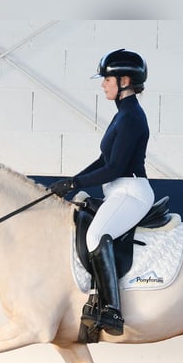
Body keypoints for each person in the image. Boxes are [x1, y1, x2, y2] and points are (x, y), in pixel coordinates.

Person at [49, 48, 154, 337]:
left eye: (106, 79)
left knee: (96, 235)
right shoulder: (123, 114)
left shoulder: (131, 117)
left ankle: (112, 310)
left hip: (131, 193)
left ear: (123, 81)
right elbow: (104, 161)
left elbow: (115, 168)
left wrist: (75, 185)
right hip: (118, 191)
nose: (102, 84)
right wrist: (73, 180)